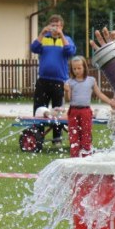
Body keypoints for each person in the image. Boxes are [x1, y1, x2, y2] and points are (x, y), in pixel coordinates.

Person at [30, 14, 76, 145]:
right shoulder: (44, 38)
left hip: (59, 80)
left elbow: (70, 51)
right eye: (53, 25)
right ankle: (38, 137)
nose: (55, 28)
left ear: (62, 26)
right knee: (39, 109)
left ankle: (57, 138)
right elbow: (34, 48)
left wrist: (61, 35)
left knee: (58, 111)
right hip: (43, 80)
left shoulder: (66, 39)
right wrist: (42, 33)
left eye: (58, 25)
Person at [64, 56, 115, 158]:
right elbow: (68, 99)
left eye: (79, 68)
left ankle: (86, 156)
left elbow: (99, 94)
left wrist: (110, 102)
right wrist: (66, 91)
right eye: (74, 69)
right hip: (73, 111)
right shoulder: (69, 82)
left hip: (85, 111)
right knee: (73, 135)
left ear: (84, 67)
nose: (77, 71)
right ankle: (74, 157)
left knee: (86, 134)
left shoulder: (91, 80)